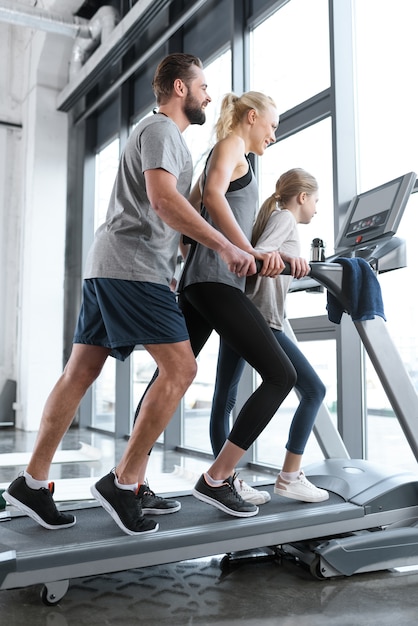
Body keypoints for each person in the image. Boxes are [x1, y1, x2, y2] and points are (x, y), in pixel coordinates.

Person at [3, 53, 257, 536]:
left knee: (80, 371)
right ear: (179, 89)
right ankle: (124, 483)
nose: (208, 93)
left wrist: (216, 247)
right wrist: (224, 246)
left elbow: (168, 215)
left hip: (111, 266)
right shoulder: (161, 131)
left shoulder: (163, 139)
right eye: (202, 85)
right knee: (181, 368)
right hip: (131, 269)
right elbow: (163, 203)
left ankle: (32, 482)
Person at [135, 91, 298, 519]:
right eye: (272, 126)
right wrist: (244, 251)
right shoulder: (231, 145)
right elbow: (212, 195)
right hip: (216, 283)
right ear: (252, 117)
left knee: (167, 378)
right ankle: (217, 479)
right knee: (282, 375)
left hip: (198, 283)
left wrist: (245, 255)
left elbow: (188, 223)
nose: (273, 136)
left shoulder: (216, 152)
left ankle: (129, 480)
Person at [210, 168, 329, 505]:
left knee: (224, 400)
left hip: (243, 314)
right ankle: (289, 476)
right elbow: (262, 252)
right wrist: (289, 259)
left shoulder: (273, 216)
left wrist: (289, 262)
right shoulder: (285, 219)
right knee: (312, 389)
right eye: (316, 200)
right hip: (262, 320)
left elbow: (263, 256)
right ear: (302, 197)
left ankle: (224, 480)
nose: (317, 208)